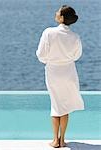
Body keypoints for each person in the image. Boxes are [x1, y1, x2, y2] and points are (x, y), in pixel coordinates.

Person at [36, 5, 85, 148]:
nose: (55, 13)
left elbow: (41, 55)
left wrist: (51, 60)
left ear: (62, 17)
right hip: (69, 72)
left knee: (56, 104)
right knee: (64, 105)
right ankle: (62, 139)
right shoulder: (75, 36)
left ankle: (55, 140)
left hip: (53, 72)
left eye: (57, 12)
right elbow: (77, 55)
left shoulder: (48, 33)